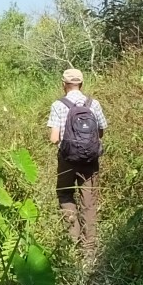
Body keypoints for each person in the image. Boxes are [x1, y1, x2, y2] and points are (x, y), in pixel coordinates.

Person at [47, 68, 108, 248]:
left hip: (67, 159)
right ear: (81, 84)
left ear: (63, 84)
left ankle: (72, 240)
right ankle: (89, 249)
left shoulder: (58, 105)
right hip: (90, 159)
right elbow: (101, 132)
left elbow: (54, 139)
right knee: (88, 201)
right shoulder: (93, 103)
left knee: (65, 194)